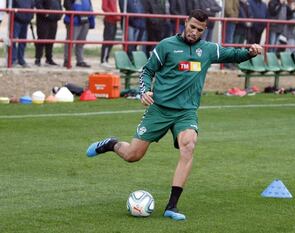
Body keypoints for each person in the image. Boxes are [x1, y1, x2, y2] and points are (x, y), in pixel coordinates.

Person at [86, 9, 262, 221]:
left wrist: (250, 52)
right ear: (185, 22)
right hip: (159, 109)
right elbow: (147, 71)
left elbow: (234, 54)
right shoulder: (166, 45)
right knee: (133, 155)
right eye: (192, 27)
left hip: (186, 112)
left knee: (189, 144)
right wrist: (144, 91)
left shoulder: (208, 50)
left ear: (204, 30)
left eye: (199, 29)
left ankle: (172, 206)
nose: (194, 32)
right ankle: (111, 143)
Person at [63, 0, 95, 68]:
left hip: (85, 20)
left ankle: (80, 60)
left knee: (81, 42)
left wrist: (92, 21)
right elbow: (67, 4)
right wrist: (76, 14)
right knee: (70, 41)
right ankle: (67, 60)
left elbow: (90, 7)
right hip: (74, 21)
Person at [34, 0, 62, 67]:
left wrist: (60, 14)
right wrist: (45, 13)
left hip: (54, 20)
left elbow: (59, 4)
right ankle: (38, 58)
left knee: (51, 39)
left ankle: (49, 58)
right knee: (42, 39)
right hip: (43, 20)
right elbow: (38, 4)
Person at [8, 0, 35, 68]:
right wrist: (17, 15)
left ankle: (21, 59)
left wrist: (30, 16)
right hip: (16, 20)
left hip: (26, 21)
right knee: (13, 40)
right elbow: (9, 7)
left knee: (23, 41)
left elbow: (32, 5)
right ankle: (12, 60)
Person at [101, 0, 121, 68]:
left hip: (114, 20)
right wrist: (115, 15)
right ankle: (103, 60)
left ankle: (106, 59)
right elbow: (104, 7)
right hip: (109, 20)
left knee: (111, 41)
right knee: (107, 40)